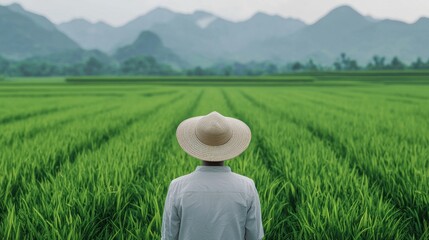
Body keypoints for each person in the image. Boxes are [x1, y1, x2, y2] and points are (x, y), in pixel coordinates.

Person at [161, 111, 264, 240]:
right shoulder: (247, 187)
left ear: (198, 145)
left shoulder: (177, 186)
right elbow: (254, 236)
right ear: (229, 146)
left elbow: (168, 236)